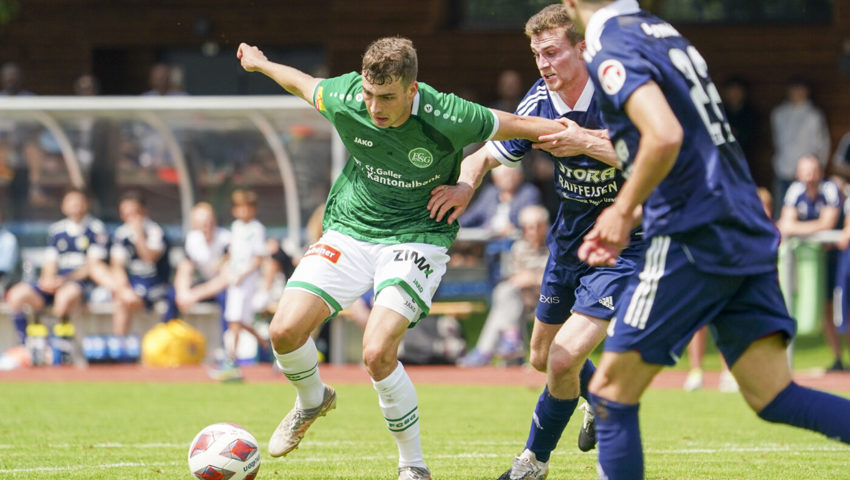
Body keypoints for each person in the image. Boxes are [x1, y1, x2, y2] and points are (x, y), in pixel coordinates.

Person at [237, 35, 569, 480]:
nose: (375, 107)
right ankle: (313, 399)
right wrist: (261, 64)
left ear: (412, 90)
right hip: (352, 227)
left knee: (376, 352)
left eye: (388, 97)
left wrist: (590, 138)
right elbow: (302, 83)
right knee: (283, 330)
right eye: (370, 94)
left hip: (418, 233)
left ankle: (413, 466)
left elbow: (524, 127)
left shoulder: (448, 115)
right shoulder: (345, 96)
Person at [561, 2, 850, 479]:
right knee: (773, 394)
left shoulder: (613, 43)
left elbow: (664, 135)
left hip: (692, 231)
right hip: (741, 223)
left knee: (610, 394)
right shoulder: (661, 31)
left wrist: (620, 210)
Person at [428, 6, 644, 478]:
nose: (543, 63)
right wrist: (467, 184)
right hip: (569, 242)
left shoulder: (618, 92)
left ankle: (532, 462)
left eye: (552, 52)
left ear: (582, 48)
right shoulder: (538, 102)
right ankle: (601, 399)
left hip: (623, 244)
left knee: (565, 356)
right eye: (536, 54)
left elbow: (650, 155)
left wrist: (584, 140)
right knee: (542, 356)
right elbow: (486, 152)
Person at [4, 189, 109, 362]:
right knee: (16, 295)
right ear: (63, 206)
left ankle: (59, 351)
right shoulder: (57, 230)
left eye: (79, 201)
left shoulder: (95, 229)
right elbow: (50, 262)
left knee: (64, 298)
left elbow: (92, 266)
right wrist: (48, 279)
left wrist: (65, 280)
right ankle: (28, 346)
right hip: (56, 282)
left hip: (78, 284)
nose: (75, 205)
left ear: (86, 204)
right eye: (71, 201)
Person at [456, 204, 550, 367]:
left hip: (548, 300)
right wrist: (523, 279)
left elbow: (561, 279)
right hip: (521, 299)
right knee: (505, 292)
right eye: (527, 227)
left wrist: (534, 278)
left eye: (536, 226)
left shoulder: (555, 249)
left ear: (545, 226)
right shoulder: (519, 247)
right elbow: (513, 277)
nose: (531, 231)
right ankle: (511, 345)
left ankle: (486, 351)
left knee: (503, 300)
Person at [777, 154, 842, 371]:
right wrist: (813, 230)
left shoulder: (830, 189)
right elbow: (785, 224)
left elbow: (828, 223)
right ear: (798, 173)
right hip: (809, 260)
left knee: (841, 308)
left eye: (813, 170)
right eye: (805, 171)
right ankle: (838, 359)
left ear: (820, 171)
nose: (809, 176)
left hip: (837, 257)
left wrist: (799, 230)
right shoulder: (795, 191)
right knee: (820, 308)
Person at [104, 191, 170, 358]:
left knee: (125, 299)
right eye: (125, 213)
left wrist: (139, 234)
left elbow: (149, 258)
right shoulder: (121, 233)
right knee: (121, 298)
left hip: (156, 284)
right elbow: (117, 265)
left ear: (143, 211)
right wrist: (124, 288)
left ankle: (134, 352)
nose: (130, 218)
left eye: (134, 212)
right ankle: (120, 350)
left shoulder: (155, 231)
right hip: (134, 285)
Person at [211, 189, 267, 380]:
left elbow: (259, 258)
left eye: (247, 207)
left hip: (246, 281)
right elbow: (233, 251)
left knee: (234, 319)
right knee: (239, 320)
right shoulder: (235, 227)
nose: (243, 211)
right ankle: (265, 344)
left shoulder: (256, 228)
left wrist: (243, 274)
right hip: (234, 279)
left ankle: (230, 359)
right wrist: (222, 262)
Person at [161, 202, 230, 336]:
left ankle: (227, 346)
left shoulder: (226, 240)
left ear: (215, 222)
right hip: (206, 286)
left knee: (226, 298)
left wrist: (194, 295)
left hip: (223, 288)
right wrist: (183, 293)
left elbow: (225, 279)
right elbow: (184, 269)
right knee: (172, 294)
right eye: (201, 224)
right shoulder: (192, 239)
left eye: (209, 222)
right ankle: (167, 337)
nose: (206, 227)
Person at [770, 76, 830, 219]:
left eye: (800, 89)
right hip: (783, 170)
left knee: (806, 215)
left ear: (806, 91)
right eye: (793, 89)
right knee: (781, 212)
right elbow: (777, 140)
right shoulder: (779, 114)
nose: (796, 92)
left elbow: (822, 144)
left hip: (807, 175)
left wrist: (818, 167)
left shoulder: (814, 115)